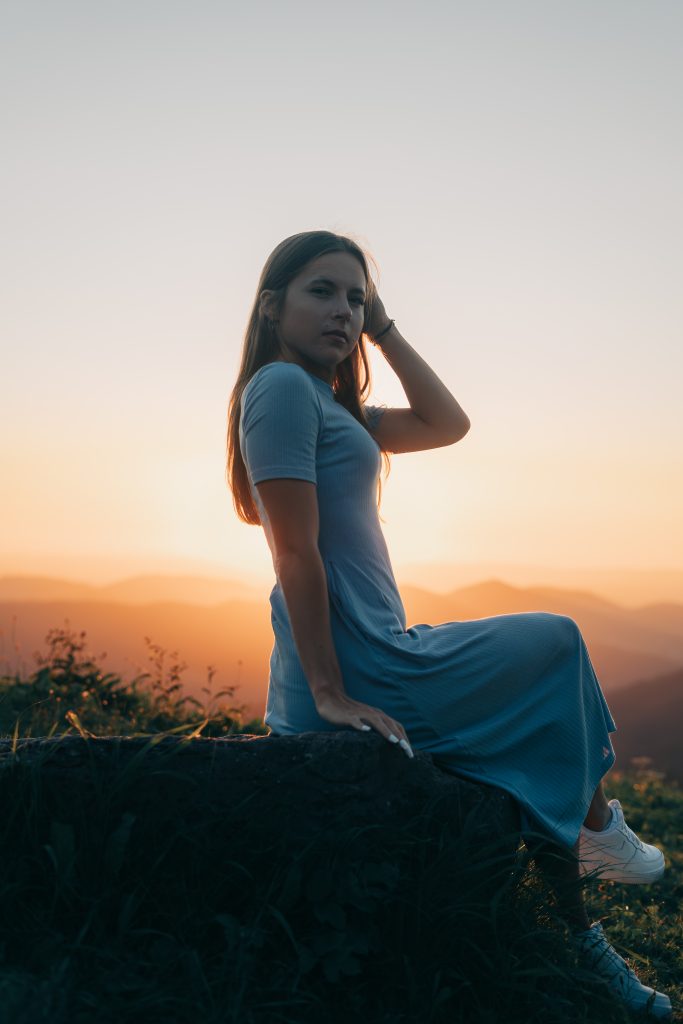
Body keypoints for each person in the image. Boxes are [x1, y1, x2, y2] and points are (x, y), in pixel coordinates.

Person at [226, 229, 672, 1019]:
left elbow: (447, 422)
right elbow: (292, 552)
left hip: (376, 647)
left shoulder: (331, 407)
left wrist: (385, 330)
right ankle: (595, 841)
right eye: (321, 292)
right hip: (361, 660)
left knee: (538, 700)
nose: (343, 312)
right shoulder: (282, 390)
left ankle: (586, 928)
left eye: (355, 298)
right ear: (272, 305)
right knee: (554, 641)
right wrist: (330, 692)